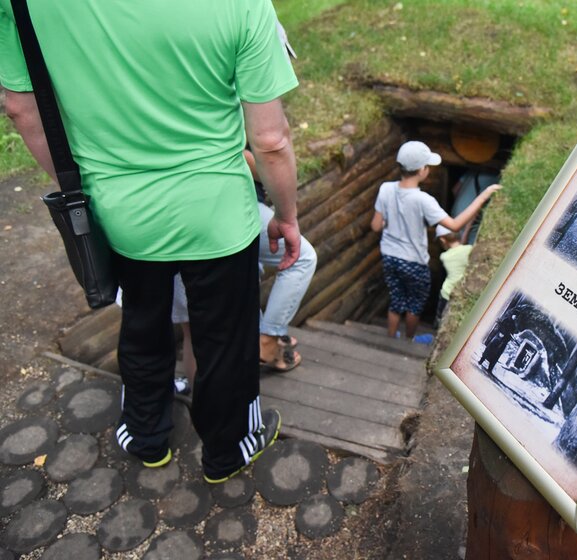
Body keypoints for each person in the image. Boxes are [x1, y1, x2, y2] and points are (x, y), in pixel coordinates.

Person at [1, 0, 301, 483]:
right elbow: (269, 139)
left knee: (142, 324)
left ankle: (146, 437)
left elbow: (21, 106)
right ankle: (226, 453)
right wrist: (287, 216)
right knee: (225, 339)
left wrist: (92, 187)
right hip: (218, 215)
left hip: (121, 215)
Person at [371, 141, 502, 340]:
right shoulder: (424, 200)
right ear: (422, 170)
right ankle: (408, 341)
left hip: (389, 257)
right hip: (414, 262)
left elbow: (375, 226)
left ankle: (391, 338)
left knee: (396, 300)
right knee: (414, 306)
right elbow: (455, 225)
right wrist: (482, 197)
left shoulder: (385, 189)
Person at [245, 147, 317, 372]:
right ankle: (268, 340)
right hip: (232, 200)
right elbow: (259, 150)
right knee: (302, 258)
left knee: (246, 270)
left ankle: (263, 338)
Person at [434, 225, 472, 327]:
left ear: (442, 239)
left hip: (446, 292)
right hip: (461, 292)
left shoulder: (444, 257)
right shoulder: (469, 250)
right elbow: (462, 250)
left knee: (441, 320)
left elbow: (458, 251)